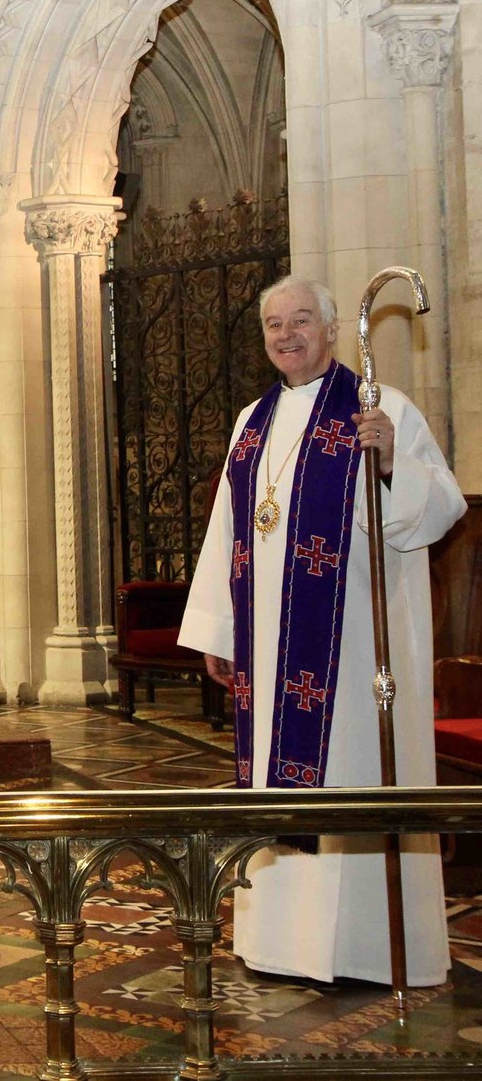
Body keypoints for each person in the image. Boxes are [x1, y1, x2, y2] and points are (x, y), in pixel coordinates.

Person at [178, 275, 465, 986]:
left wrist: (392, 459)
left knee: (350, 778)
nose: (286, 335)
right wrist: (220, 629)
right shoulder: (252, 422)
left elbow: (445, 506)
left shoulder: (379, 408)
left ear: (331, 331)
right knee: (275, 785)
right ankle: (276, 944)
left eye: (301, 320)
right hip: (266, 655)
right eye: (275, 324)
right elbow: (227, 531)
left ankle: (366, 951)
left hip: (354, 652)